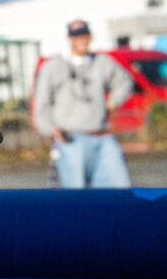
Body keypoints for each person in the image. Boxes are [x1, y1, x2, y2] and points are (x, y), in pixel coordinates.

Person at [32, 19, 134, 188]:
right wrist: (50, 129)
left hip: (102, 136)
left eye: (85, 35)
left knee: (119, 192)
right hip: (71, 140)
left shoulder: (101, 62)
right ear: (69, 38)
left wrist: (113, 102)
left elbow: (125, 81)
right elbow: (41, 103)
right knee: (76, 197)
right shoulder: (53, 66)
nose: (82, 40)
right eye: (77, 36)